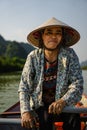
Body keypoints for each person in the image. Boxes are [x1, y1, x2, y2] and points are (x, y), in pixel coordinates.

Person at [18, 17, 84, 130]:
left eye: (58, 33)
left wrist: (63, 101)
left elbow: (77, 84)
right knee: (43, 120)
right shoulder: (33, 57)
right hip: (41, 106)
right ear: (42, 36)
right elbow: (24, 87)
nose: (53, 36)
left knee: (74, 118)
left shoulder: (70, 55)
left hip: (64, 105)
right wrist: (25, 111)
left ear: (62, 37)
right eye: (49, 33)